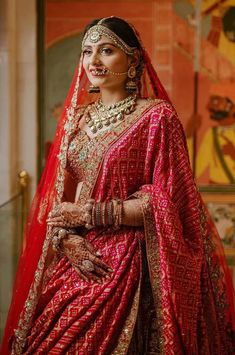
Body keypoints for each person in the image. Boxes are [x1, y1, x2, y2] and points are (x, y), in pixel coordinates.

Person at [1, 16, 235, 355]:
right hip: (79, 258)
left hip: (132, 264)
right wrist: (66, 241)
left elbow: (168, 203)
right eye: (87, 52)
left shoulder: (156, 118)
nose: (93, 61)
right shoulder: (77, 120)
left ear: (134, 60)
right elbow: (58, 200)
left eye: (106, 50)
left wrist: (90, 212)